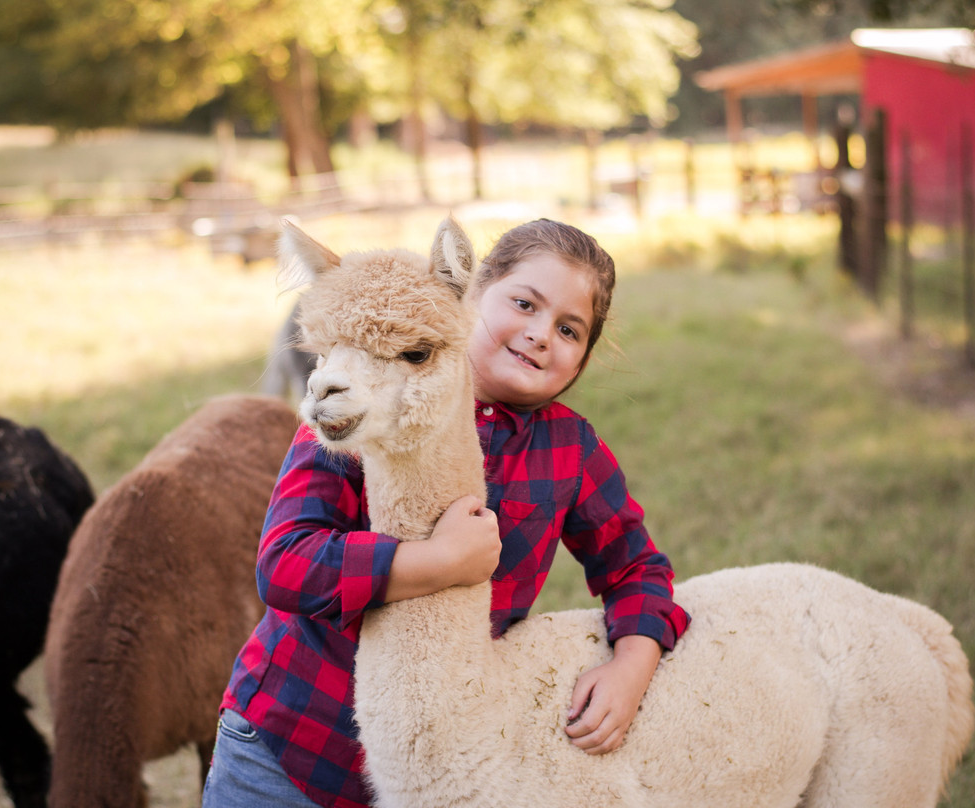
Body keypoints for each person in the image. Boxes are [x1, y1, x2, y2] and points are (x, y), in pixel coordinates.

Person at [203, 219, 690, 808]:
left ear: (584, 356)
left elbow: (634, 565)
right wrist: (439, 561)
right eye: (524, 304)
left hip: (435, 764)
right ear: (470, 295)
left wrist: (632, 664)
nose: (540, 335)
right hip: (293, 741)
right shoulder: (358, 409)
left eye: (569, 329)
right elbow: (286, 565)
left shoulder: (570, 450)